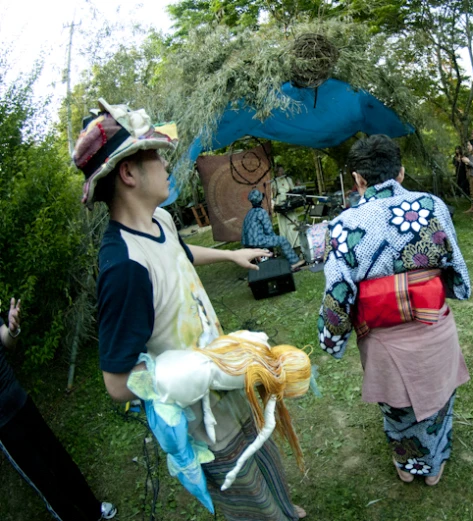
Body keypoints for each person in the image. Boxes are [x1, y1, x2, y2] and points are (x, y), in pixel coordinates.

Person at [72, 100, 305, 520]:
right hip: (201, 418)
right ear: (128, 173)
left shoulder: (159, 219)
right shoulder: (124, 267)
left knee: (263, 451)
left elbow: (178, 252)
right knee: (243, 489)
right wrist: (200, 370)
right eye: (155, 156)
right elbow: (116, 382)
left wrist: (231, 257)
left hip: (228, 383)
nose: (165, 164)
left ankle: (284, 507)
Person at [317, 134, 471, 485]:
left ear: (358, 179)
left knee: (398, 408)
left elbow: (338, 291)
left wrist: (331, 339)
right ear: (400, 173)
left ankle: (408, 464)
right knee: (438, 401)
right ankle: (435, 463)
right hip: (432, 324)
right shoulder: (431, 206)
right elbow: (455, 268)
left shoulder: (342, 225)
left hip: (383, 333)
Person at [0, 298, 117, 521]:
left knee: (57, 456)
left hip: (18, 397)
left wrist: (12, 329)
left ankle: (94, 509)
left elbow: (6, 341)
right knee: (41, 476)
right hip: (3, 422)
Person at [242, 189, 305, 270]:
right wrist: (274, 240)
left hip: (246, 243)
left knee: (274, 240)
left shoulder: (249, 213)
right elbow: (269, 231)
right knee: (282, 240)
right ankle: (295, 262)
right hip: (258, 242)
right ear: (261, 200)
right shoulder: (261, 212)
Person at [272, 165, 300, 249]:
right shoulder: (274, 182)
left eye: (282, 170)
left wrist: (297, 185)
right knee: (284, 225)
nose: (281, 172)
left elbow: (293, 190)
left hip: (289, 203)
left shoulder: (288, 179)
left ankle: (297, 242)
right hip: (280, 204)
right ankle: (286, 244)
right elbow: (273, 195)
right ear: (276, 173)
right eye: (279, 171)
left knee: (293, 221)